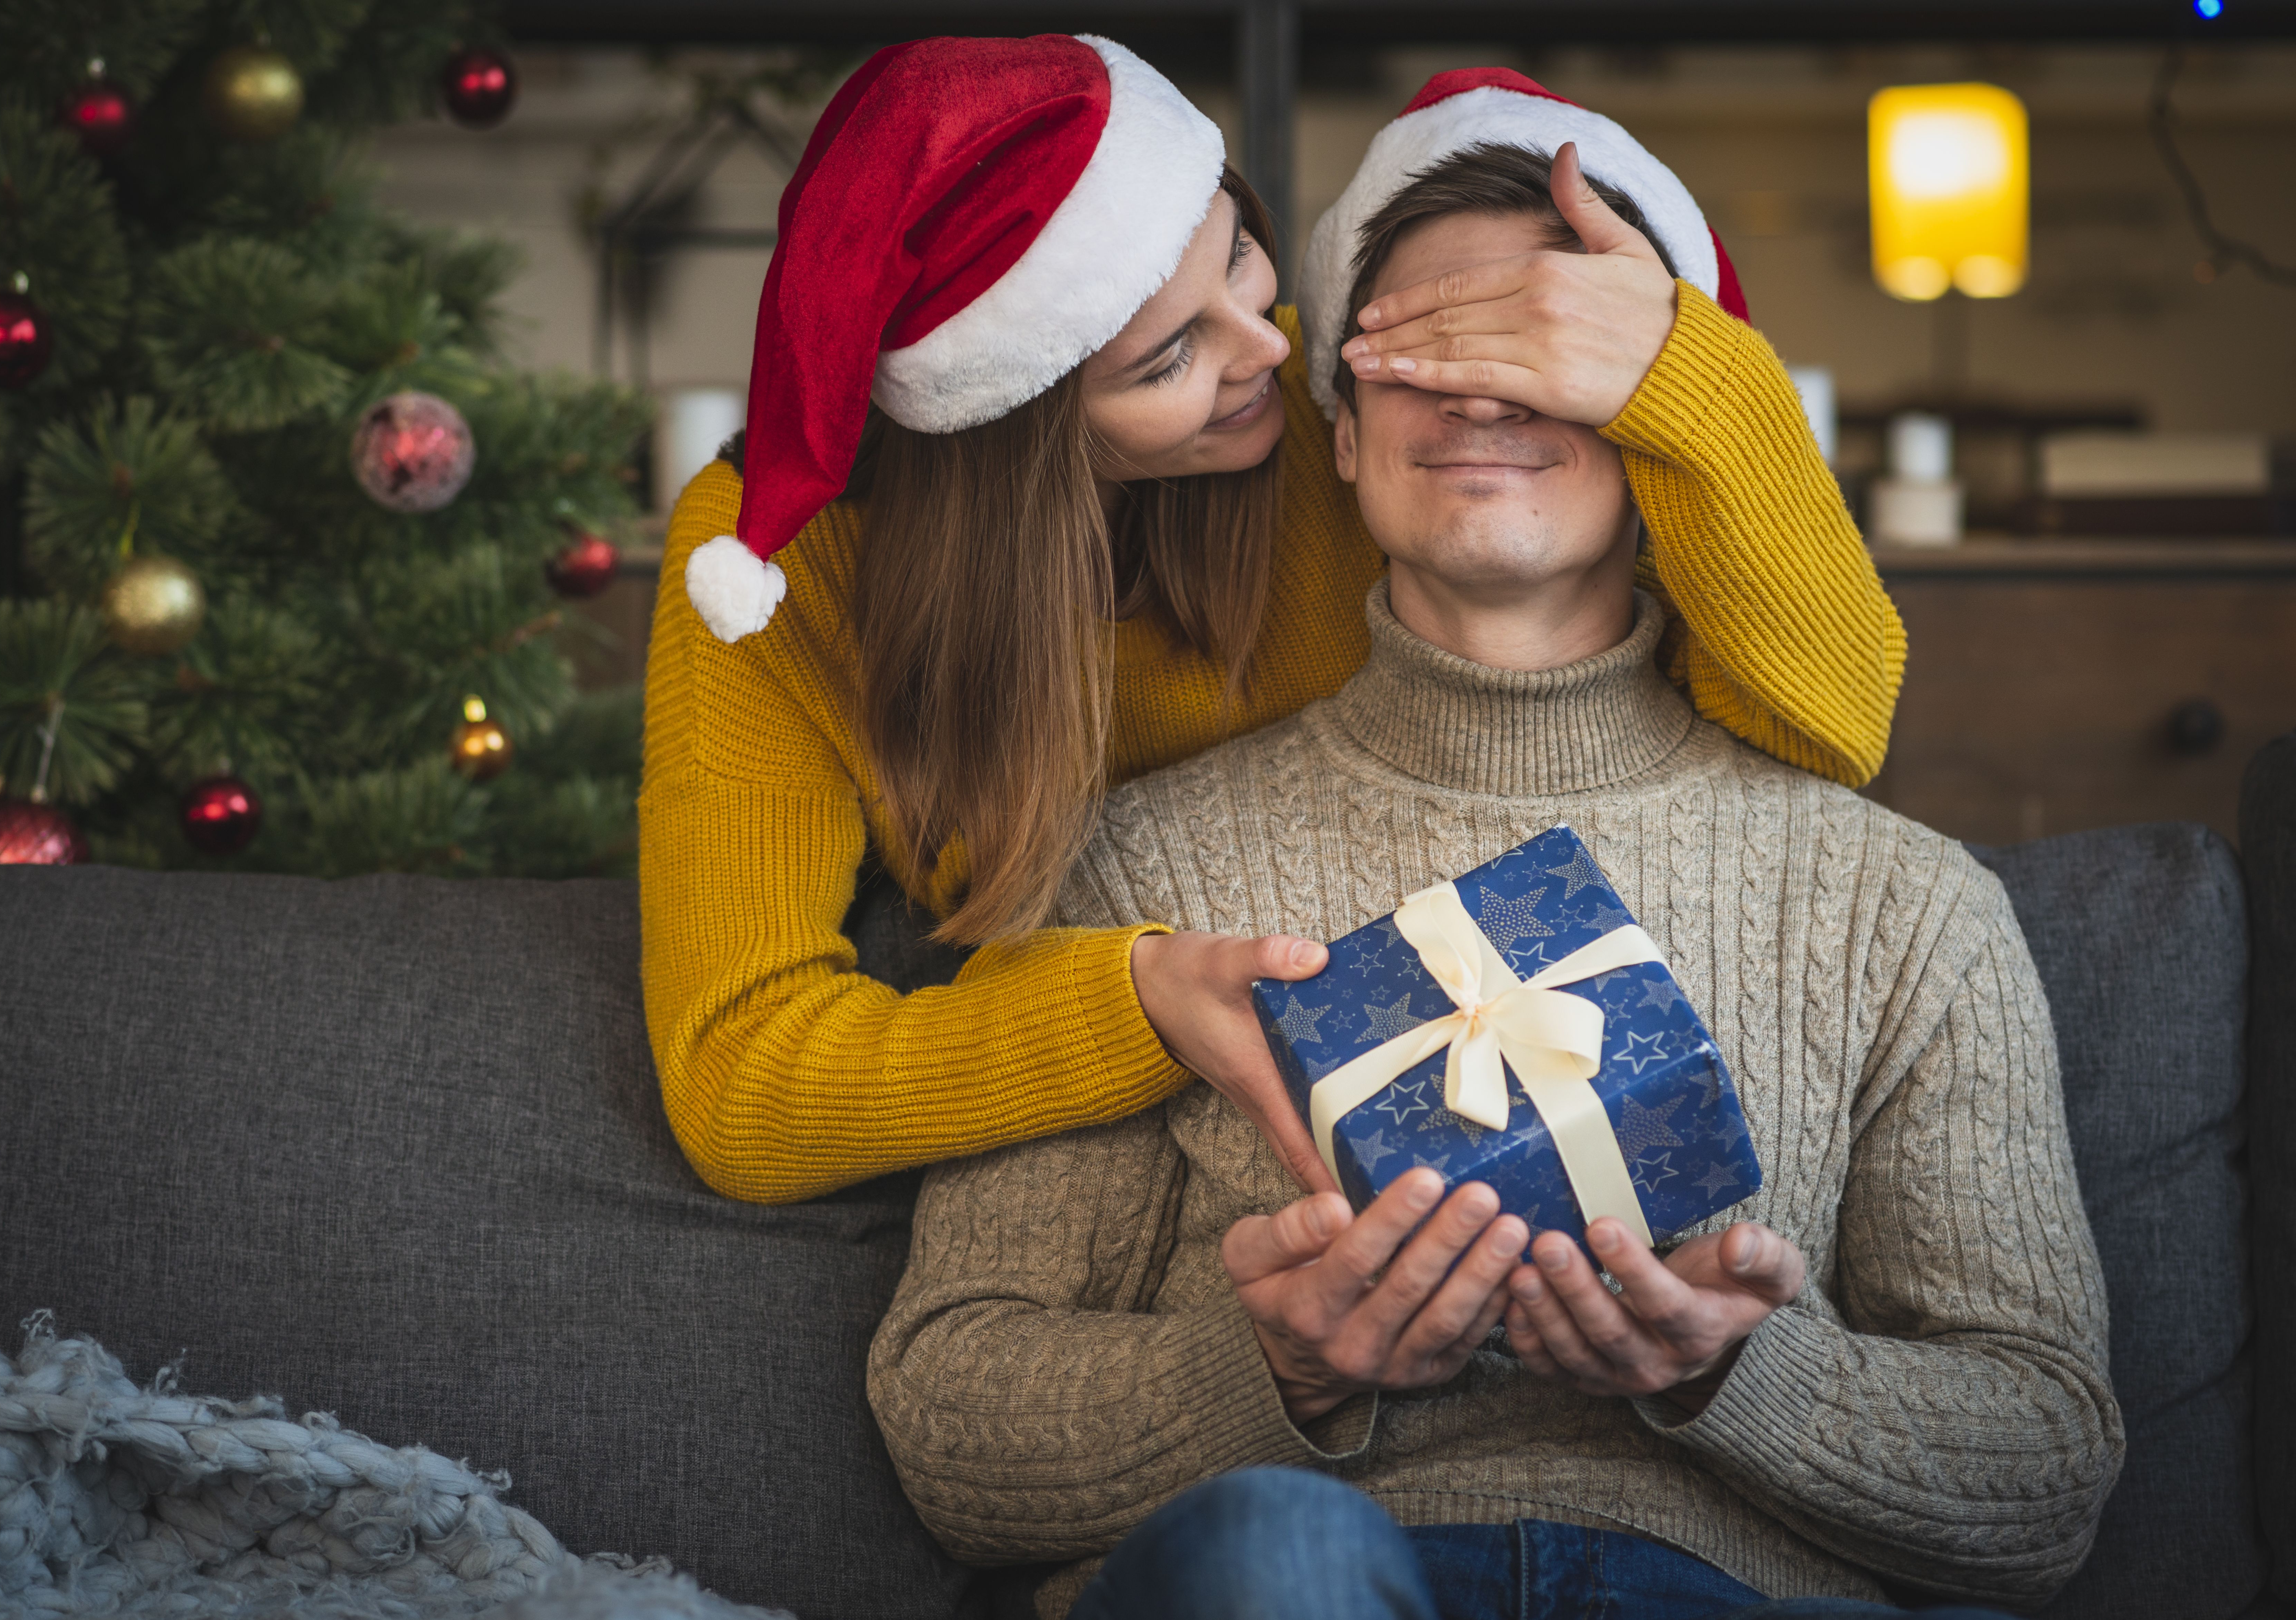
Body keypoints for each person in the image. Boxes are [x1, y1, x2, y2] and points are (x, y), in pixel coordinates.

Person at [864, 131, 2121, 1620]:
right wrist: (1271, 1364)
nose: (1474, 388)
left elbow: (2048, 1474)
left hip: (1732, 1586)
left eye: (1547, 345)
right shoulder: (1137, 868)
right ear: (1337, 431)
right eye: (1411, 349)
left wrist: (1737, 1367)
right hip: (1306, 1573)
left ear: (1662, 425)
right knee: (1276, 1552)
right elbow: (947, 1420)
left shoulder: (1898, 902)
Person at [642, 41, 1907, 1203]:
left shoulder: (1357, 411)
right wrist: (1133, 1004)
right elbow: (739, 1082)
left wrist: (1684, 361)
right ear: (1016, 427)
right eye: (1163, 362)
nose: (1266, 348)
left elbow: (1826, 728)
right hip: (1125, 1137)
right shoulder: (777, 574)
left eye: (1239, 251)